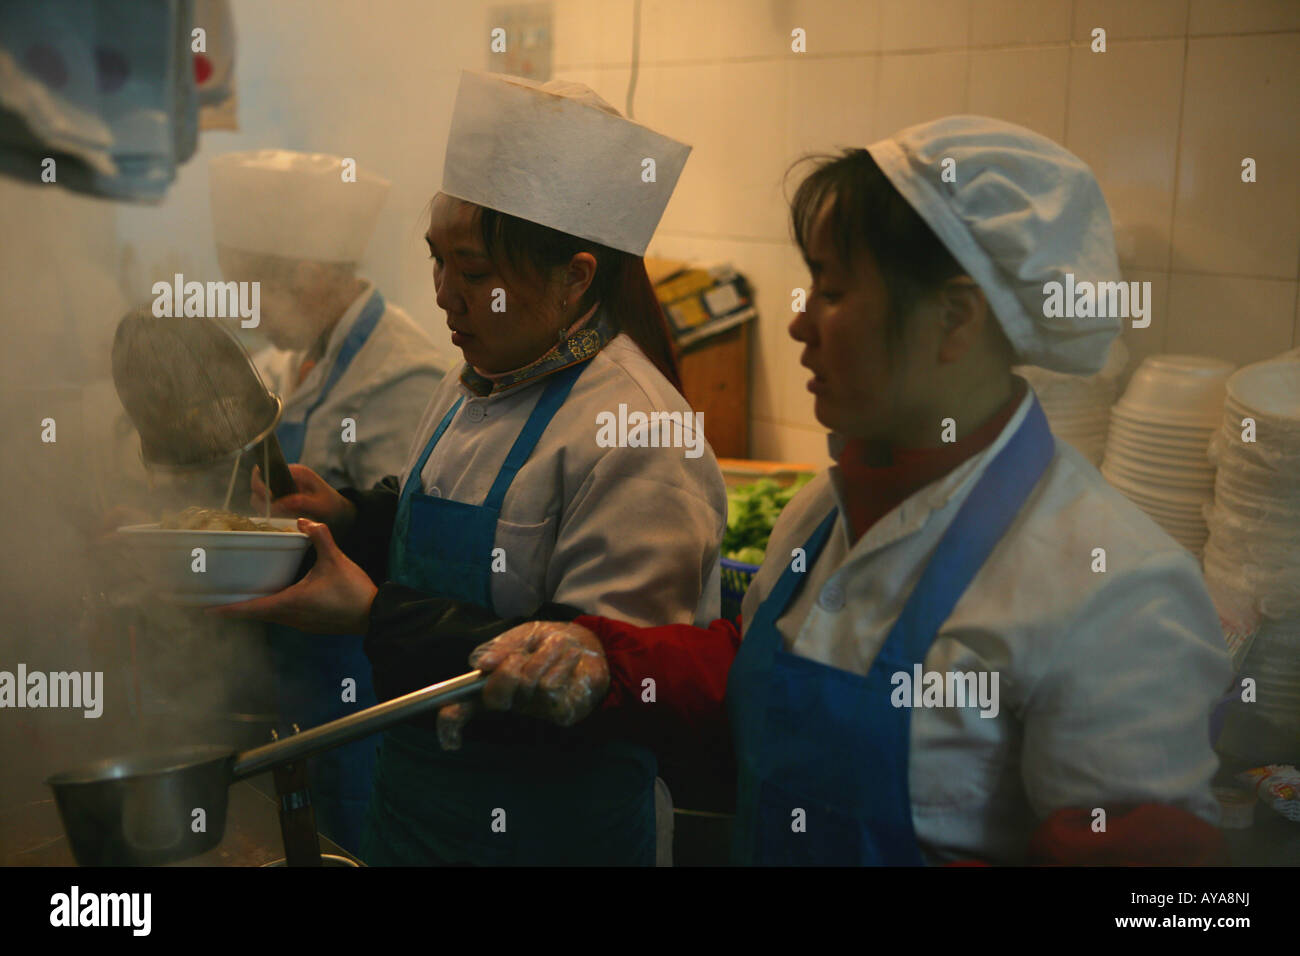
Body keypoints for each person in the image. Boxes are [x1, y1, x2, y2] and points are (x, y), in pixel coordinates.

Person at [444, 116, 1234, 865]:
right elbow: (765, 677)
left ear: (953, 320)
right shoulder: (825, 511)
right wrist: (603, 656)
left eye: (831, 289)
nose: (800, 323)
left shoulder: (1115, 589)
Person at [215, 72, 726, 866]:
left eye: (476, 272)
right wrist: (355, 515)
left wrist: (372, 617)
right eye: (437, 260)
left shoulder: (638, 431)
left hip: (550, 839)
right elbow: (462, 531)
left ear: (577, 278)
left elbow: (582, 680)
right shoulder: (473, 383)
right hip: (416, 817)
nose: (446, 296)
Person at [209, 149, 448, 853]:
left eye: (255, 287)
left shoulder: (404, 376)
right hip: (295, 682)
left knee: (356, 840)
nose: (249, 310)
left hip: (360, 684)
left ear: (311, 274)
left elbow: (406, 555)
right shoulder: (293, 359)